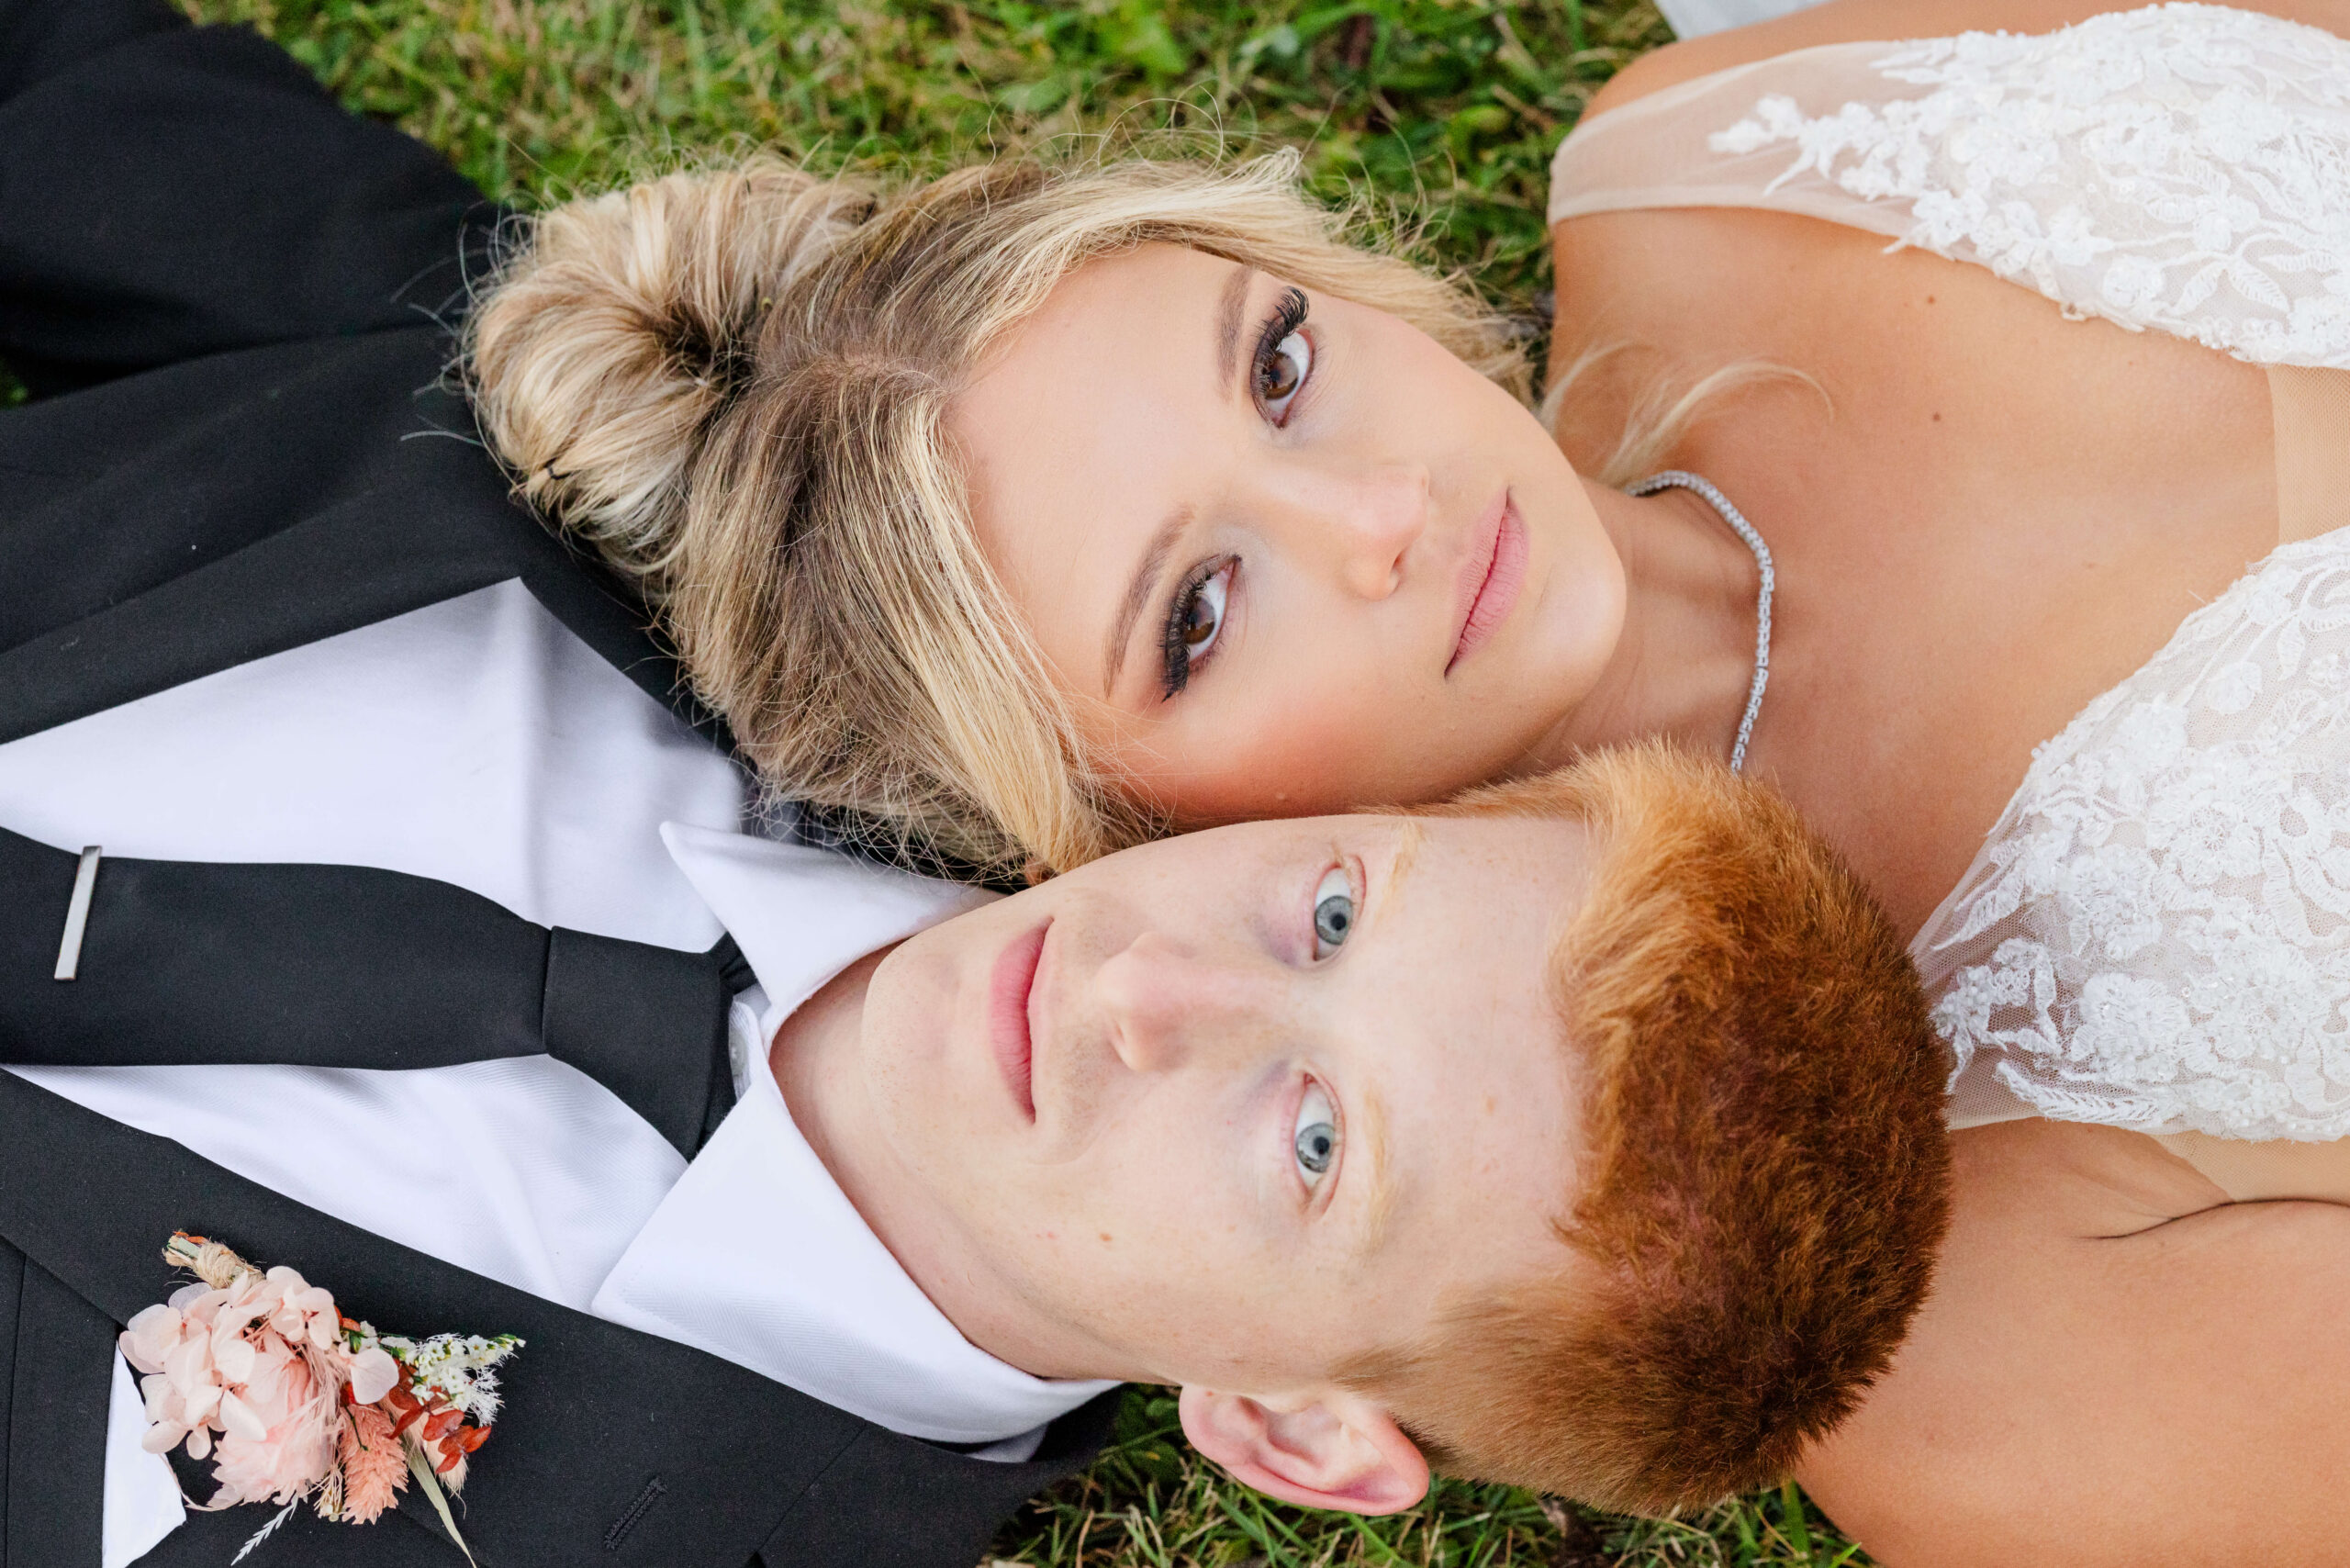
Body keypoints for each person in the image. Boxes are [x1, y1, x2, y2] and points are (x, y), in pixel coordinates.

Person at [0, 4, 1949, 1562]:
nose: (1146, 988)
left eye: (1311, 1142)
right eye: (1331, 911)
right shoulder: (697, 526)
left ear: (1293, 1429)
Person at [465, 0, 2350, 1554]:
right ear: (1112, 838)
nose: (1384, 512)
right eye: (1200, 613)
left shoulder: (1697, 164)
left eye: (1279, 367)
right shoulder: (1968, 1362)